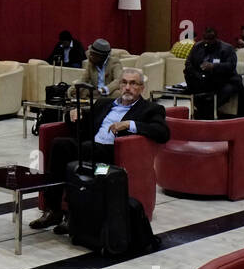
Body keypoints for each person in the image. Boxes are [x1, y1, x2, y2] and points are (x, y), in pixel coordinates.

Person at [29, 67, 170, 233]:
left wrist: (130, 124)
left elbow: (163, 132)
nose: (127, 87)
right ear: (118, 85)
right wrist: (73, 114)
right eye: (124, 83)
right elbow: (83, 125)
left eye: (133, 84)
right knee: (60, 144)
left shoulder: (150, 109)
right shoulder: (104, 103)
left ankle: (74, 215)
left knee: (85, 151)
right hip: (90, 148)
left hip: (112, 158)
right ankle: (53, 210)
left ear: (141, 88)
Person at [184, 26, 243, 119]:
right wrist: (197, 74)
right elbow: (188, 63)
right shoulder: (197, 47)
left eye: (210, 39)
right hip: (202, 79)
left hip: (225, 80)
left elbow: (231, 66)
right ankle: (203, 112)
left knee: (227, 89)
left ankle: (207, 112)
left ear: (216, 38)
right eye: (205, 39)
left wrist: (214, 66)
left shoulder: (227, 49)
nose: (207, 41)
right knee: (192, 86)